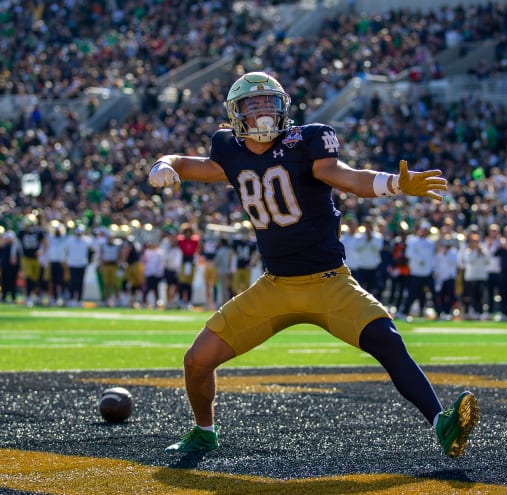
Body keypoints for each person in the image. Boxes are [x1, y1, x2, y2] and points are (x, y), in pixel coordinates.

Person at [147, 72, 478, 458]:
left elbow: (345, 177)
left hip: (329, 283)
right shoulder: (229, 151)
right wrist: (163, 163)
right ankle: (204, 432)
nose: (264, 112)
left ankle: (442, 423)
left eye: (270, 103)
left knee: (387, 340)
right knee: (196, 360)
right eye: (254, 106)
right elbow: (188, 164)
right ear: (237, 114)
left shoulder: (307, 140)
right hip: (274, 287)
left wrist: (394, 184)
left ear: (284, 107)